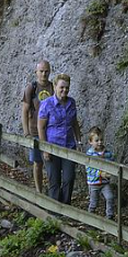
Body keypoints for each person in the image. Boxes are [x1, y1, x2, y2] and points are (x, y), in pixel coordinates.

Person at [37, 73, 82, 204]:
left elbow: (75, 123)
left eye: (67, 88)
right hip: (52, 147)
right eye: (62, 87)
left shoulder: (71, 103)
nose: (64, 90)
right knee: (54, 180)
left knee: (69, 178)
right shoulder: (47, 104)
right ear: (55, 86)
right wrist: (45, 149)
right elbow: (41, 127)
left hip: (68, 147)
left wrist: (79, 142)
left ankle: (66, 207)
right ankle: (54, 211)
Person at [21, 60, 54, 193]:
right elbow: (25, 110)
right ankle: (39, 191)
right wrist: (26, 131)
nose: (44, 74)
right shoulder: (31, 88)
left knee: (51, 162)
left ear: (50, 72)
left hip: (50, 131)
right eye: (41, 71)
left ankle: (53, 191)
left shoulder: (53, 87)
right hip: (35, 130)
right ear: (36, 72)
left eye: (46, 71)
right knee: (37, 162)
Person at [85, 126, 115, 220]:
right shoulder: (90, 154)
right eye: (97, 140)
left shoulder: (108, 153)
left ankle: (109, 216)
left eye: (101, 140)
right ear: (90, 142)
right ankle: (90, 216)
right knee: (94, 201)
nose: (100, 142)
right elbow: (88, 169)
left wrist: (110, 171)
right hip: (94, 183)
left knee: (110, 197)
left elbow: (112, 163)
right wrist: (100, 173)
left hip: (105, 182)